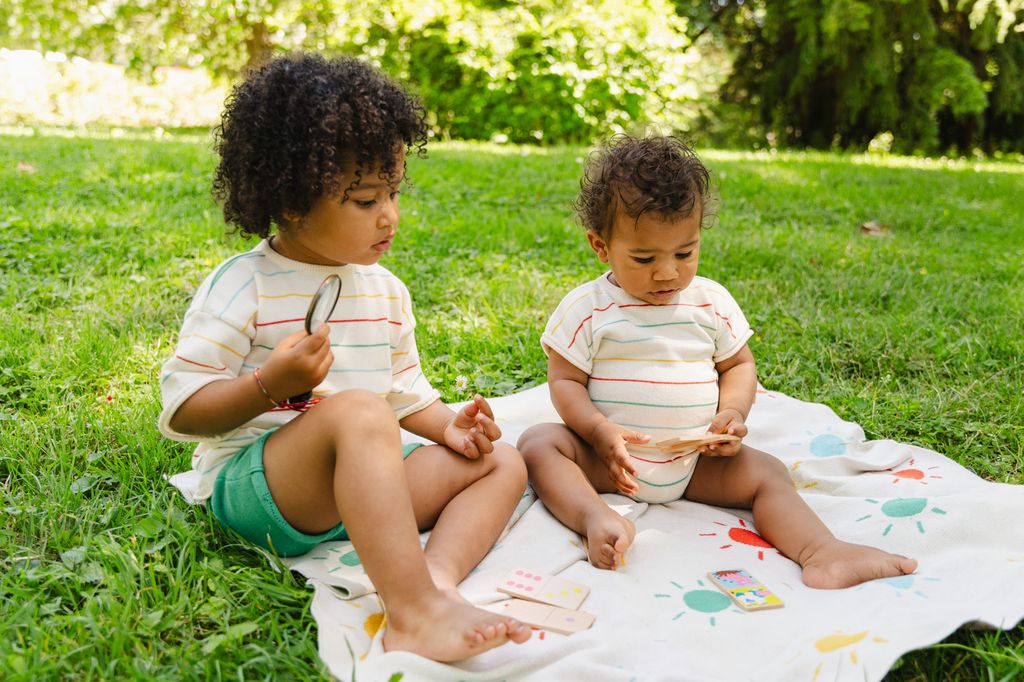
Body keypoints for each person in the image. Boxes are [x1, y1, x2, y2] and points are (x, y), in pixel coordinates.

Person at [158, 53, 531, 661]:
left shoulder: (383, 290)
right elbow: (182, 410)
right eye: (364, 200)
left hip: (365, 493)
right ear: (292, 202)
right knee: (359, 412)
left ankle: (433, 580)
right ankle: (409, 613)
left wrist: (452, 427)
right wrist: (266, 386)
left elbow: (405, 393)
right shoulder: (243, 285)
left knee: (504, 462)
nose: (389, 215)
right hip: (266, 492)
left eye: (393, 192)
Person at [517, 135, 917, 589]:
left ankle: (821, 552)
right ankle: (595, 518)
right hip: (611, 462)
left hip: (695, 461)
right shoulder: (587, 308)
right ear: (600, 246)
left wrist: (731, 415)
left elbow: (738, 366)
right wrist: (597, 431)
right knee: (539, 444)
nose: (667, 272)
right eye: (644, 257)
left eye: (684, 253)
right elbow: (565, 380)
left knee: (767, 472)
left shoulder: (711, 303)